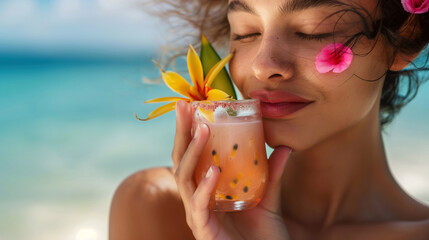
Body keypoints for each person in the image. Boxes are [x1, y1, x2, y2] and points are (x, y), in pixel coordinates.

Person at [109, 0, 429, 239]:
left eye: (313, 29)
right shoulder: (156, 206)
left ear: (405, 35)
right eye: (247, 33)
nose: (263, 66)